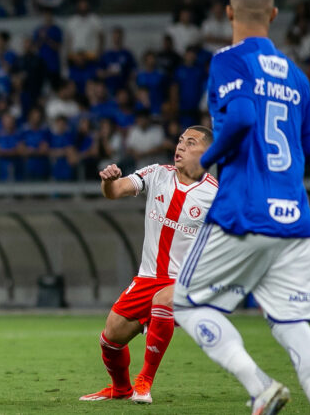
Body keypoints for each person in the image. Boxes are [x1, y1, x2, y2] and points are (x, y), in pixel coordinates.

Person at [172, 0, 310, 415]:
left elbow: (242, 116)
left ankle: (259, 386)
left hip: (243, 210)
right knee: (292, 324)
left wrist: (204, 162)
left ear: (229, 14)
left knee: (183, 303)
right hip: (295, 218)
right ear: (274, 15)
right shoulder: (297, 77)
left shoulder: (228, 61)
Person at [80, 125, 217, 404]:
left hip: (187, 281)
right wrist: (109, 180)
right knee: (110, 340)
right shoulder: (157, 173)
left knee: (163, 300)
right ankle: (120, 389)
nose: (180, 146)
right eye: (180, 140)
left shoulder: (217, 195)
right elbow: (115, 191)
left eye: (190, 143)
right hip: (148, 277)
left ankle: (144, 382)